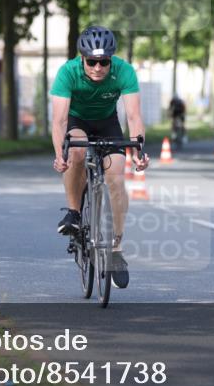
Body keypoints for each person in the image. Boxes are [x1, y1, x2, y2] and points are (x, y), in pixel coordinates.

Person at [51, 26, 150, 289]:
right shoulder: (67, 72)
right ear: (81, 58)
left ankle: (116, 249)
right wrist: (59, 153)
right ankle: (73, 212)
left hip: (107, 123)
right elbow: (59, 121)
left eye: (104, 62)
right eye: (91, 62)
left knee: (116, 179)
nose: (97, 67)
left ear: (111, 59)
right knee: (77, 151)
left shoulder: (124, 71)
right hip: (77, 121)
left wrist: (139, 150)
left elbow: (133, 116)